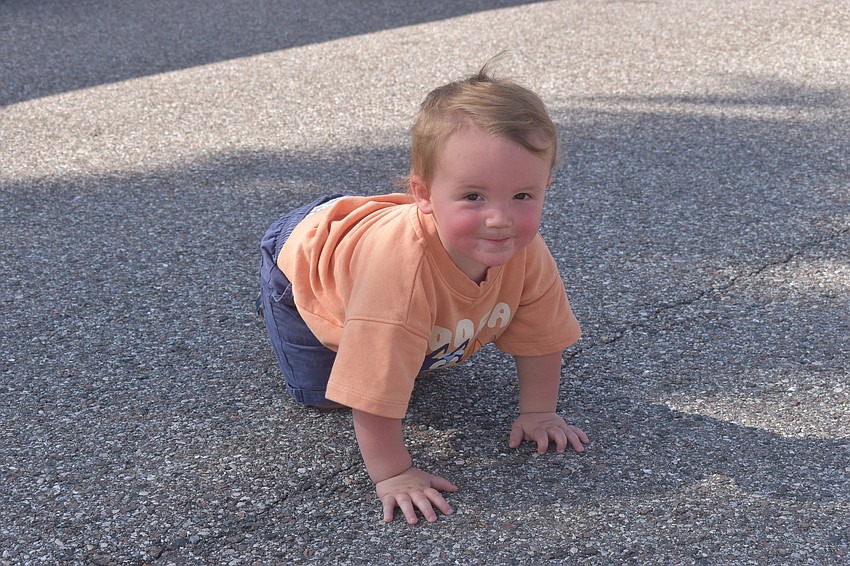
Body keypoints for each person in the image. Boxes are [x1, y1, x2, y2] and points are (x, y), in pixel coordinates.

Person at [258, 60, 587, 525]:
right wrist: (393, 473)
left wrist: (540, 412)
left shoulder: (524, 250)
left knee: (411, 354)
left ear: (545, 188)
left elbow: (542, 338)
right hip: (307, 256)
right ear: (424, 194)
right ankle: (279, 309)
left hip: (372, 233)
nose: (501, 218)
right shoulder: (398, 278)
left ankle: (408, 338)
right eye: (474, 196)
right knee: (328, 393)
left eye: (523, 196)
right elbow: (370, 392)